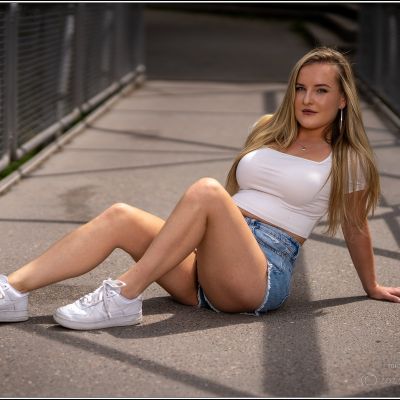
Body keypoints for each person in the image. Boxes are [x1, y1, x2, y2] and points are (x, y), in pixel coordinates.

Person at [1, 47, 399, 330]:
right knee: (120, 216)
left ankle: (122, 296)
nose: (307, 99)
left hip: (259, 275)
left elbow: (356, 226)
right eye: (300, 88)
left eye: (321, 90)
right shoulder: (267, 129)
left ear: (342, 98)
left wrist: (371, 286)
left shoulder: (348, 159)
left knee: (208, 191)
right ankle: (11, 292)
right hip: (207, 263)